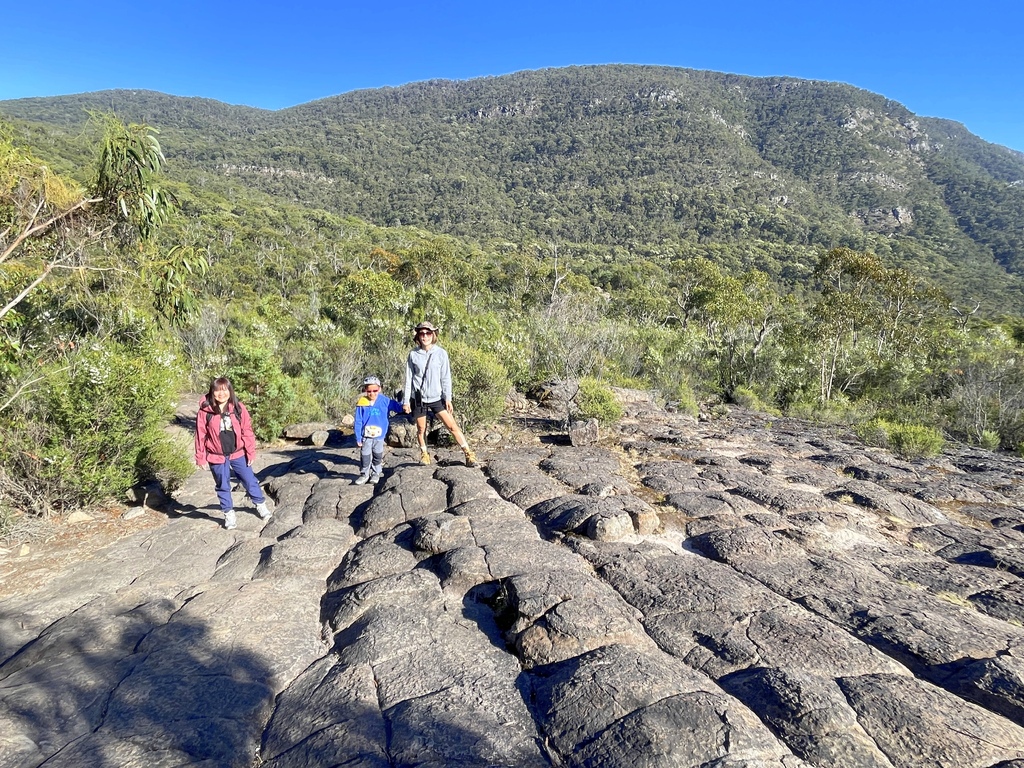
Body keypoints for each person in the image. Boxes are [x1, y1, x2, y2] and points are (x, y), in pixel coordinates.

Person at [194, 377, 271, 529]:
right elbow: (200, 435)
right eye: (217, 390)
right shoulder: (205, 412)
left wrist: (250, 452)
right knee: (223, 485)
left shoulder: (238, 408)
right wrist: (200, 457)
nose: (221, 393)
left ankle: (260, 505)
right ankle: (229, 514)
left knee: (250, 480)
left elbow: (247, 431)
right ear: (212, 392)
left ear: (230, 391)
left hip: (238, 453)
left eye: (225, 390)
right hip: (216, 456)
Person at [402, 320, 478, 467]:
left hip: (437, 398)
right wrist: (406, 401)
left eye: (428, 333)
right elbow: (408, 379)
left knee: (452, 426)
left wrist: (447, 397)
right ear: (418, 336)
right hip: (418, 398)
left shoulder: (441, 353)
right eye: (422, 333)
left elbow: (446, 377)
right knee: (421, 429)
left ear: (433, 334)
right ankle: (424, 454)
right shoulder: (413, 355)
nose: (425, 336)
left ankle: (468, 454)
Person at [353, 375, 400, 485]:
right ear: (365, 390)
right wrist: (358, 437)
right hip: (366, 436)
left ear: (379, 389)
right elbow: (358, 420)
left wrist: (405, 403)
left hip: (379, 437)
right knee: (365, 456)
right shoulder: (362, 402)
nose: (372, 393)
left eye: (375, 390)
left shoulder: (385, 401)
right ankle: (364, 474)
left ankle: (376, 473)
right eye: (369, 391)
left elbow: (398, 407)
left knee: (377, 455)